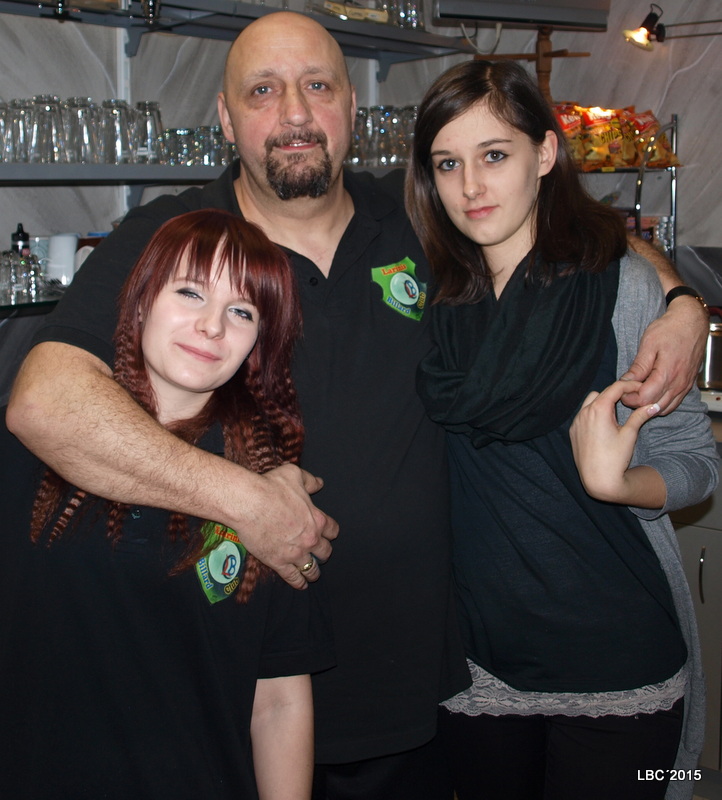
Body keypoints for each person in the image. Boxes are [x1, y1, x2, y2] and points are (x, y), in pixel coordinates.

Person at [5, 12, 709, 799]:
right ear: (226, 118)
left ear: (350, 106)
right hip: (244, 700)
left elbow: (562, 224)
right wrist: (244, 501)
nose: (295, 113)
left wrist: (677, 300)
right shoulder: (183, 237)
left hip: (433, 698)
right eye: (263, 92)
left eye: (317, 86)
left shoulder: (419, 216)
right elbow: (46, 402)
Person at [407, 59, 718, 800]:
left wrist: (621, 483)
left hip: (619, 670)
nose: (470, 186)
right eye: (447, 164)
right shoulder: (424, 298)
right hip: (474, 670)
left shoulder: (623, 289)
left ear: (545, 153)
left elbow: (697, 463)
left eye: (494, 155)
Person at [0, 209, 335, 799]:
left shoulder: (270, 489)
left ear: (259, 342)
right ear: (140, 299)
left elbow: (279, 698)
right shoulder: (31, 444)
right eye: (190, 292)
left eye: (242, 311)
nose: (212, 326)